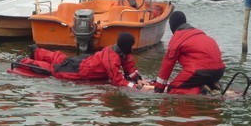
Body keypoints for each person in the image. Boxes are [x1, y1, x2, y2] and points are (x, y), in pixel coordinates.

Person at [18, 33, 146, 88]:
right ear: (126, 45)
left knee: (62, 59)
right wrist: (134, 87)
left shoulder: (122, 52)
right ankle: (24, 61)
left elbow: (129, 66)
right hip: (82, 70)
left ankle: (36, 52)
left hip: (86, 61)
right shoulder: (112, 58)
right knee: (55, 70)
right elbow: (117, 80)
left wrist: (137, 78)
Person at [154, 11, 226, 95]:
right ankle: (212, 85)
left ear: (172, 25)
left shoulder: (177, 39)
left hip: (200, 72)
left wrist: (159, 88)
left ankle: (201, 91)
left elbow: (167, 65)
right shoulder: (199, 33)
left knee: (173, 89)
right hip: (219, 71)